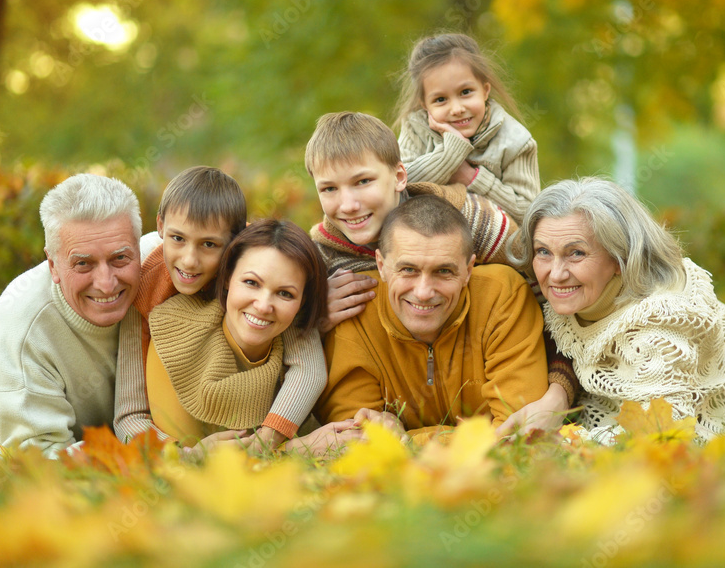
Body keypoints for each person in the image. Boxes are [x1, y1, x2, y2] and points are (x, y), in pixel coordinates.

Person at [303, 111, 578, 423]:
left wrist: (559, 386)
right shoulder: (321, 257)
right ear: (381, 263)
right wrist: (314, 318)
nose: (349, 205)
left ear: (399, 177)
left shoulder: (475, 222)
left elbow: (553, 302)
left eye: (363, 182)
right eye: (329, 189)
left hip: (504, 357)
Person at [500, 177, 725, 443]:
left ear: (620, 259)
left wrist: (567, 440)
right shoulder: (575, 300)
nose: (555, 274)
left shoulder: (661, 327)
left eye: (576, 253)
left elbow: (663, 434)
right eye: (543, 252)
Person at [290, 196, 549, 453]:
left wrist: (404, 441)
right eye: (408, 270)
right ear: (381, 265)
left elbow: (517, 433)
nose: (424, 292)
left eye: (444, 271)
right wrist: (478, 437)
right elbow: (358, 443)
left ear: (468, 270)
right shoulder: (354, 309)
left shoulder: (502, 295)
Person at [114, 167, 326, 450]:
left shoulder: (260, 262)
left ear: (234, 242)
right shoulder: (145, 289)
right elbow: (130, 414)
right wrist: (184, 454)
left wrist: (270, 437)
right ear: (161, 226)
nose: (189, 261)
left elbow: (308, 366)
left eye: (209, 244)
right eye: (178, 238)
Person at [0, 174, 142, 458]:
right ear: (52, 265)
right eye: (83, 263)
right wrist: (162, 452)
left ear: (140, 250)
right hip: (24, 381)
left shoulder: (172, 266)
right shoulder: (23, 333)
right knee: (14, 382)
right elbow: (38, 460)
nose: (106, 284)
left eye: (119, 258)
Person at [144, 219, 328, 456]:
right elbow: (190, 467)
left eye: (285, 293)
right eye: (251, 283)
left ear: (301, 303)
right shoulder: (175, 332)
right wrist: (294, 450)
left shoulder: (297, 349)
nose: (263, 306)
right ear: (227, 277)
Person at [394, 33, 540, 225]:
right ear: (424, 104)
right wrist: (451, 154)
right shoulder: (415, 128)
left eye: (465, 92)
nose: (457, 109)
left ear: (485, 90)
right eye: (440, 99)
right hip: (428, 233)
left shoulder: (515, 140)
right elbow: (397, 185)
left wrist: (470, 177)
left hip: (493, 239)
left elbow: (529, 212)